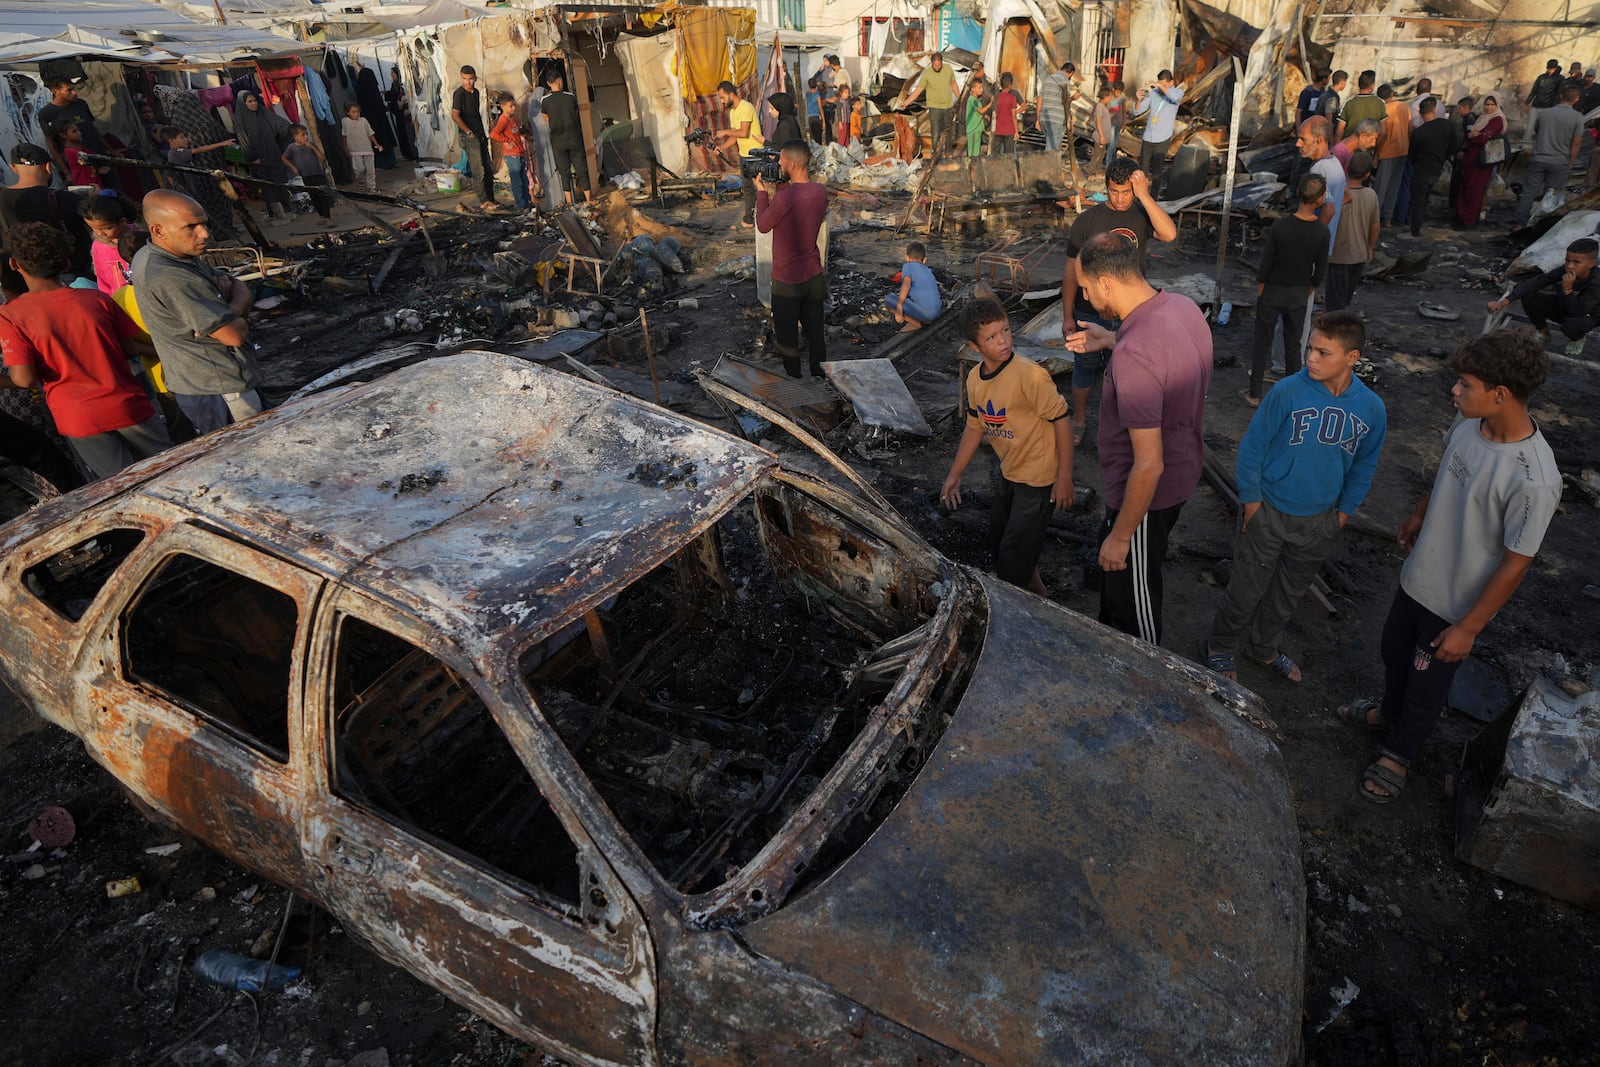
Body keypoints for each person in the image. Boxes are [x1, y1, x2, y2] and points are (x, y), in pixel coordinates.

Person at [1336, 328, 1560, 804]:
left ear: (1500, 394)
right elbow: (1448, 474)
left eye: (1465, 384)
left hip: (1453, 606)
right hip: (1419, 577)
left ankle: (1399, 752)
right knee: (1394, 652)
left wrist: (1469, 627)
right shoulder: (1468, 424)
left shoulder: (1533, 479)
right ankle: (1386, 713)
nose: (1454, 392)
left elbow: (1517, 561)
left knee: (1427, 684)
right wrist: (1420, 513)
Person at [1201, 311, 1386, 685]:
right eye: (1310, 349)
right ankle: (1219, 647)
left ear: (1352, 358)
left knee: (1288, 594)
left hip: (1319, 522)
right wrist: (1252, 503)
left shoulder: (1371, 409)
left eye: (1323, 353)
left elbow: (1364, 466)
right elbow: (1252, 448)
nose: (1311, 359)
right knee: (1246, 588)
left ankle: (1263, 649)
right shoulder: (1287, 391)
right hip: (1268, 512)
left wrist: (1342, 515)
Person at [1064, 233, 1212, 644]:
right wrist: (1112, 339)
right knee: (1119, 583)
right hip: (1182, 468)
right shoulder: (1181, 307)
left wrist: (1122, 536)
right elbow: (1162, 356)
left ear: (1107, 284)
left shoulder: (1135, 356)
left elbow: (1148, 463)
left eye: (1088, 288)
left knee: (1136, 601)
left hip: (1147, 495)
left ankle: (1145, 675)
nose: (1088, 298)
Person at [0, 223, 170, 479]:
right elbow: (128, 349)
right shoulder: (97, 299)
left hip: (77, 417)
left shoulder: (11, 316)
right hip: (127, 403)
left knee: (121, 484)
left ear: (14, 264)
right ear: (66, 264)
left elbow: (24, 379)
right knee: (171, 467)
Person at [941, 297, 1072, 594]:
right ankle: (1040, 594)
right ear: (975, 347)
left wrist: (1064, 478)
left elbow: (1062, 421)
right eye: (991, 337)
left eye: (1005, 330)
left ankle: (1022, 617)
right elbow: (974, 427)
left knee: (1012, 562)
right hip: (1010, 472)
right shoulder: (975, 379)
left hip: (1039, 480)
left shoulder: (1030, 375)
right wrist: (954, 475)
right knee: (1003, 541)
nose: (1002, 341)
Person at [1058, 157, 1178, 443]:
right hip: (1090, 311)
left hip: (1130, 314)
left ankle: (1120, 422)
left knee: (1125, 369)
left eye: (1127, 192)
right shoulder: (1088, 221)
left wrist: (1145, 196)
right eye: (1114, 191)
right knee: (1084, 366)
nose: (1121, 198)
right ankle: (1079, 417)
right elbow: (1071, 272)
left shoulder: (1141, 213)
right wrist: (1066, 315)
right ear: (1106, 187)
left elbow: (1169, 234)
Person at [130, 190, 261, 434]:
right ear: (158, 230)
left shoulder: (169, 255)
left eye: (204, 224)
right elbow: (234, 334)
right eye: (191, 227)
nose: (205, 234)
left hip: (203, 382)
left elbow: (234, 283)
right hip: (219, 387)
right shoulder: (170, 275)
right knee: (252, 448)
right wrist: (235, 307)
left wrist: (232, 301)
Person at [1246, 174, 1329, 406]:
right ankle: (1294, 398)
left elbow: (1267, 261)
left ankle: (1254, 393)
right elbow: (1320, 270)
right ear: (1320, 199)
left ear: (1299, 193)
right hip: (1298, 294)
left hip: (1272, 291)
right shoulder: (1322, 232)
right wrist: (1309, 289)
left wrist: (1261, 286)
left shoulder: (1281, 225)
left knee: (1262, 340)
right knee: (1294, 345)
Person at [755, 141, 828, 379]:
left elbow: (764, 225)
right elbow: (798, 201)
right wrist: (781, 186)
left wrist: (762, 192)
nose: (779, 165)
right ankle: (820, 376)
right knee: (815, 332)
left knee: (787, 337)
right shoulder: (820, 192)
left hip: (787, 280)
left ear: (793, 164)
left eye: (783, 162)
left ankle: (794, 381)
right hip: (814, 275)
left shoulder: (784, 200)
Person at [1488, 237, 1600, 356]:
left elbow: (1579, 312)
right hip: (1565, 307)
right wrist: (1505, 301)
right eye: (1568, 260)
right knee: (1529, 296)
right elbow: (1538, 282)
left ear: (1592, 263)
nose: (1570, 266)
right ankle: (1544, 333)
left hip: (1586, 316)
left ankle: (1577, 338)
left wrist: (1567, 289)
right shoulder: (1565, 270)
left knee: (1571, 325)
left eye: (1576, 262)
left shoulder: (1597, 282)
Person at [0, 143, 94, 282]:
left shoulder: (2, 200)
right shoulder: (64, 199)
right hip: (73, 278)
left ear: (13, 167)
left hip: (25, 281)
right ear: (48, 167)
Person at [1515, 85, 1583, 226]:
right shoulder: (1577, 117)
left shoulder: (1544, 113)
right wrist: (1570, 162)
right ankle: (1542, 226)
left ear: (1560, 97)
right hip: (1560, 162)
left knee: (1528, 193)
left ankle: (1519, 224)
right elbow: (1576, 143)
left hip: (1539, 158)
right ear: (1576, 100)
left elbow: (1537, 131)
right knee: (1551, 196)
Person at [38, 76, 117, 192]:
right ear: (56, 92)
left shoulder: (81, 104)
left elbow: (94, 129)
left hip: (100, 158)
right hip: (81, 167)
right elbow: (52, 145)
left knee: (114, 192)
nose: (74, 93)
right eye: (69, 90)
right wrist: (66, 172)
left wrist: (110, 150)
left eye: (74, 89)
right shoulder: (47, 114)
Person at [1326, 152, 1378, 312]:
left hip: (1339, 254)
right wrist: (1369, 249)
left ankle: (1335, 329)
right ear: (1367, 174)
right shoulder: (1371, 195)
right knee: (1346, 296)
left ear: (1346, 168)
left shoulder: (1339, 193)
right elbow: (1375, 227)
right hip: (1359, 254)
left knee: (1335, 300)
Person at [234, 91, 295, 225]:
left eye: (254, 100)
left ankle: (287, 211)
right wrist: (252, 158)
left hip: (273, 156)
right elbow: (243, 141)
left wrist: (279, 138)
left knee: (279, 182)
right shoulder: (240, 119)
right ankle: (277, 213)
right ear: (243, 104)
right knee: (267, 187)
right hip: (258, 160)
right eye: (250, 101)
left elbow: (283, 125)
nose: (254, 103)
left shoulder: (263, 113)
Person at [1408, 97, 1461, 235]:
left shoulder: (1419, 132)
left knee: (1418, 198)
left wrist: (1416, 162)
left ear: (1420, 112)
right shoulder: (1447, 125)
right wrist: (1444, 156)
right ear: (1435, 110)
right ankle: (1419, 222)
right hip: (1436, 166)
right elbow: (1455, 143)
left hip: (1421, 167)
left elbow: (1412, 154)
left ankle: (1415, 228)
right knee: (1425, 195)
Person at [1453, 94, 1504, 229]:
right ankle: (1462, 217)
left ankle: (1469, 220)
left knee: (1475, 190)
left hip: (1482, 160)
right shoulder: (1482, 118)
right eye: (1487, 104)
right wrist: (1471, 136)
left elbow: (1483, 138)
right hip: (1472, 158)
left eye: (1492, 105)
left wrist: (1471, 137)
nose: (1489, 107)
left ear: (1497, 105)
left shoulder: (1497, 119)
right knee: (1466, 187)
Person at [451, 66, 498, 212]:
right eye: (465, 79)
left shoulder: (476, 93)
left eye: (470, 79)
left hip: (479, 135)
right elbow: (455, 115)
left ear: (475, 78)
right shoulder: (459, 94)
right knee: (479, 170)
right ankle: (484, 201)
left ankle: (491, 199)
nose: (468, 82)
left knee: (489, 169)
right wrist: (468, 131)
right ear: (461, 78)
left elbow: (475, 115)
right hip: (468, 136)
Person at [715, 80, 761, 228]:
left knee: (759, 186)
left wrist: (725, 131)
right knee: (747, 188)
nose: (722, 101)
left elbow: (743, 132)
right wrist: (722, 147)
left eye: (722, 97)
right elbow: (736, 136)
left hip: (755, 153)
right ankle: (750, 218)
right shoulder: (733, 112)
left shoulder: (745, 107)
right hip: (744, 154)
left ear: (731, 94)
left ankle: (762, 216)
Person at [1299, 116, 1346, 255]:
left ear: (1319, 140)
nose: (1298, 144)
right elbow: (1347, 196)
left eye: (1303, 139)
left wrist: (1313, 240)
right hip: (1326, 244)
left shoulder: (1319, 169)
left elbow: (1329, 210)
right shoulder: (1334, 161)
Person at [1134, 70, 1184, 195]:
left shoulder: (1177, 93)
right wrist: (1139, 100)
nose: (1161, 88)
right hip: (1148, 136)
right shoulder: (1153, 94)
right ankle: (1140, 195)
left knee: (1157, 171)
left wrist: (1160, 86)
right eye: (1160, 84)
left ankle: (1154, 197)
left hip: (1163, 138)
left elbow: (1175, 97)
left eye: (1165, 85)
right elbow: (1137, 111)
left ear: (1171, 83)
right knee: (1142, 169)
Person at [78, 193, 140, 294]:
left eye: (107, 228)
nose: (100, 233)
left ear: (122, 222)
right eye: (93, 228)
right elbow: (102, 279)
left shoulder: (139, 239)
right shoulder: (98, 246)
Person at [902, 52, 959, 153]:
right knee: (936, 133)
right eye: (935, 65)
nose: (937, 67)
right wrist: (907, 102)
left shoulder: (948, 69)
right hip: (935, 107)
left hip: (948, 106)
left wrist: (960, 98)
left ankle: (948, 153)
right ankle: (936, 153)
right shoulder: (927, 73)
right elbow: (919, 90)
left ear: (941, 62)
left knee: (948, 131)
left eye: (939, 65)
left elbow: (953, 84)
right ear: (932, 63)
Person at [282, 123, 335, 228]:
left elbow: (322, 157)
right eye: (303, 135)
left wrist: (312, 147)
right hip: (306, 176)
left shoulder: (311, 145)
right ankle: (323, 216)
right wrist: (293, 168)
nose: (306, 137)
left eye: (306, 134)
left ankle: (328, 218)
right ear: (295, 136)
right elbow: (284, 158)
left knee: (323, 196)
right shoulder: (291, 148)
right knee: (314, 197)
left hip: (318, 174)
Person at [488, 92, 531, 212]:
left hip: (519, 152)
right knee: (517, 181)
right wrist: (506, 140)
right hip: (512, 155)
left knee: (524, 180)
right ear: (503, 106)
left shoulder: (513, 119)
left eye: (514, 105)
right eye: (510, 106)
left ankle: (527, 202)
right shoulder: (503, 120)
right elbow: (494, 134)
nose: (513, 108)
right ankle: (522, 206)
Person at [1374, 85, 1411, 224]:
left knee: (1381, 186)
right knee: (1394, 186)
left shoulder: (1382, 110)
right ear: (1392, 93)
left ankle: (1375, 217)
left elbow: (1381, 134)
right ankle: (1388, 218)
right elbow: (1410, 128)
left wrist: (1376, 155)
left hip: (1387, 151)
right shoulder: (1404, 107)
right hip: (1403, 150)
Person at [887, 241, 941, 331]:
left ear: (907, 258)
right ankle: (925, 319)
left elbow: (906, 286)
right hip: (937, 312)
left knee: (889, 299)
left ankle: (916, 324)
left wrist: (899, 306)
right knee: (910, 298)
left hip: (927, 314)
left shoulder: (908, 266)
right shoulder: (927, 270)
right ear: (924, 260)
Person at [341, 100, 380, 195]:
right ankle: (361, 184)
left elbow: (370, 133)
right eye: (353, 112)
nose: (356, 114)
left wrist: (377, 144)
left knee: (370, 169)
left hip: (367, 148)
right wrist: (345, 147)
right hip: (354, 149)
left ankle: (371, 187)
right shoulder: (345, 122)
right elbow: (344, 135)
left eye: (358, 112)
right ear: (348, 113)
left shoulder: (363, 121)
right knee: (359, 170)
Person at [1035, 62, 1074, 156]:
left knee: (1051, 145)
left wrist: (1038, 118)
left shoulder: (1048, 79)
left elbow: (1040, 99)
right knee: (1052, 149)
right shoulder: (1065, 81)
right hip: (1056, 119)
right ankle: (1049, 169)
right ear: (1071, 73)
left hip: (1044, 117)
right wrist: (1073, 98)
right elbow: (1065, 101)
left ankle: (1051, 167)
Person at [1336, 70, 1386, 141]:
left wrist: (1336, 149)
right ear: (1372, 85)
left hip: (1348, 148)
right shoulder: (1380, 103)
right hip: (1369, 148)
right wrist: (1376, 149)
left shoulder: (1349, 103)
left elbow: (1339, 131)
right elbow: (1383, 132)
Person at [963, 77, 991, 190]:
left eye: (981, 88)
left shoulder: (977, 100)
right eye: (979, 88)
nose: (981, 90)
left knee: (976, 152)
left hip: (977, 129)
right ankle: (971, 176)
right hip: (973, 129)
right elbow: (980, 110)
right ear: (973, 89)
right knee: (973, 154)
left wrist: (985, 115)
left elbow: (979, 113)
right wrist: (990, 104)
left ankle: (974, 175)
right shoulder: (972, 99)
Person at [1527, 59, 1565, 136]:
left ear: (1556, 68)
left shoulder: (1560, 79)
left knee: (1544, 128)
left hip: (1548, 107)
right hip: (1536, 105)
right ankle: (1525, 142)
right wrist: (1527, 102)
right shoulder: (1541, 77)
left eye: (1551, 69)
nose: (1549, 70)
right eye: (1548, 68)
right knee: (1530, 127)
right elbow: (1534, 91)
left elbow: (1558, 94)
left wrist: (1554, 107)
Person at [990, 72, 1023, 156]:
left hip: (997, 129)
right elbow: (1013, 117)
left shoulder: (996, 97)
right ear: (1009, 85)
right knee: (1009, 155)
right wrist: (1016, 131)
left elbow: (995, 113)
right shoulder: (1012, 98)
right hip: (1009, 130)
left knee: (996, 154)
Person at [1091, 85, 1116, 171]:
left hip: (1104, 137)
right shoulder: (1099, 107)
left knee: (1101, 156)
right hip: (1100, 137)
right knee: (1097, 156)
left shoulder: (1104, 107)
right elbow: (1098, 122)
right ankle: (1090, 172)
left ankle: (1098, 172)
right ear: (1105, 97)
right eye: (1109, 97)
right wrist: (1101, 136)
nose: (1110, 99)